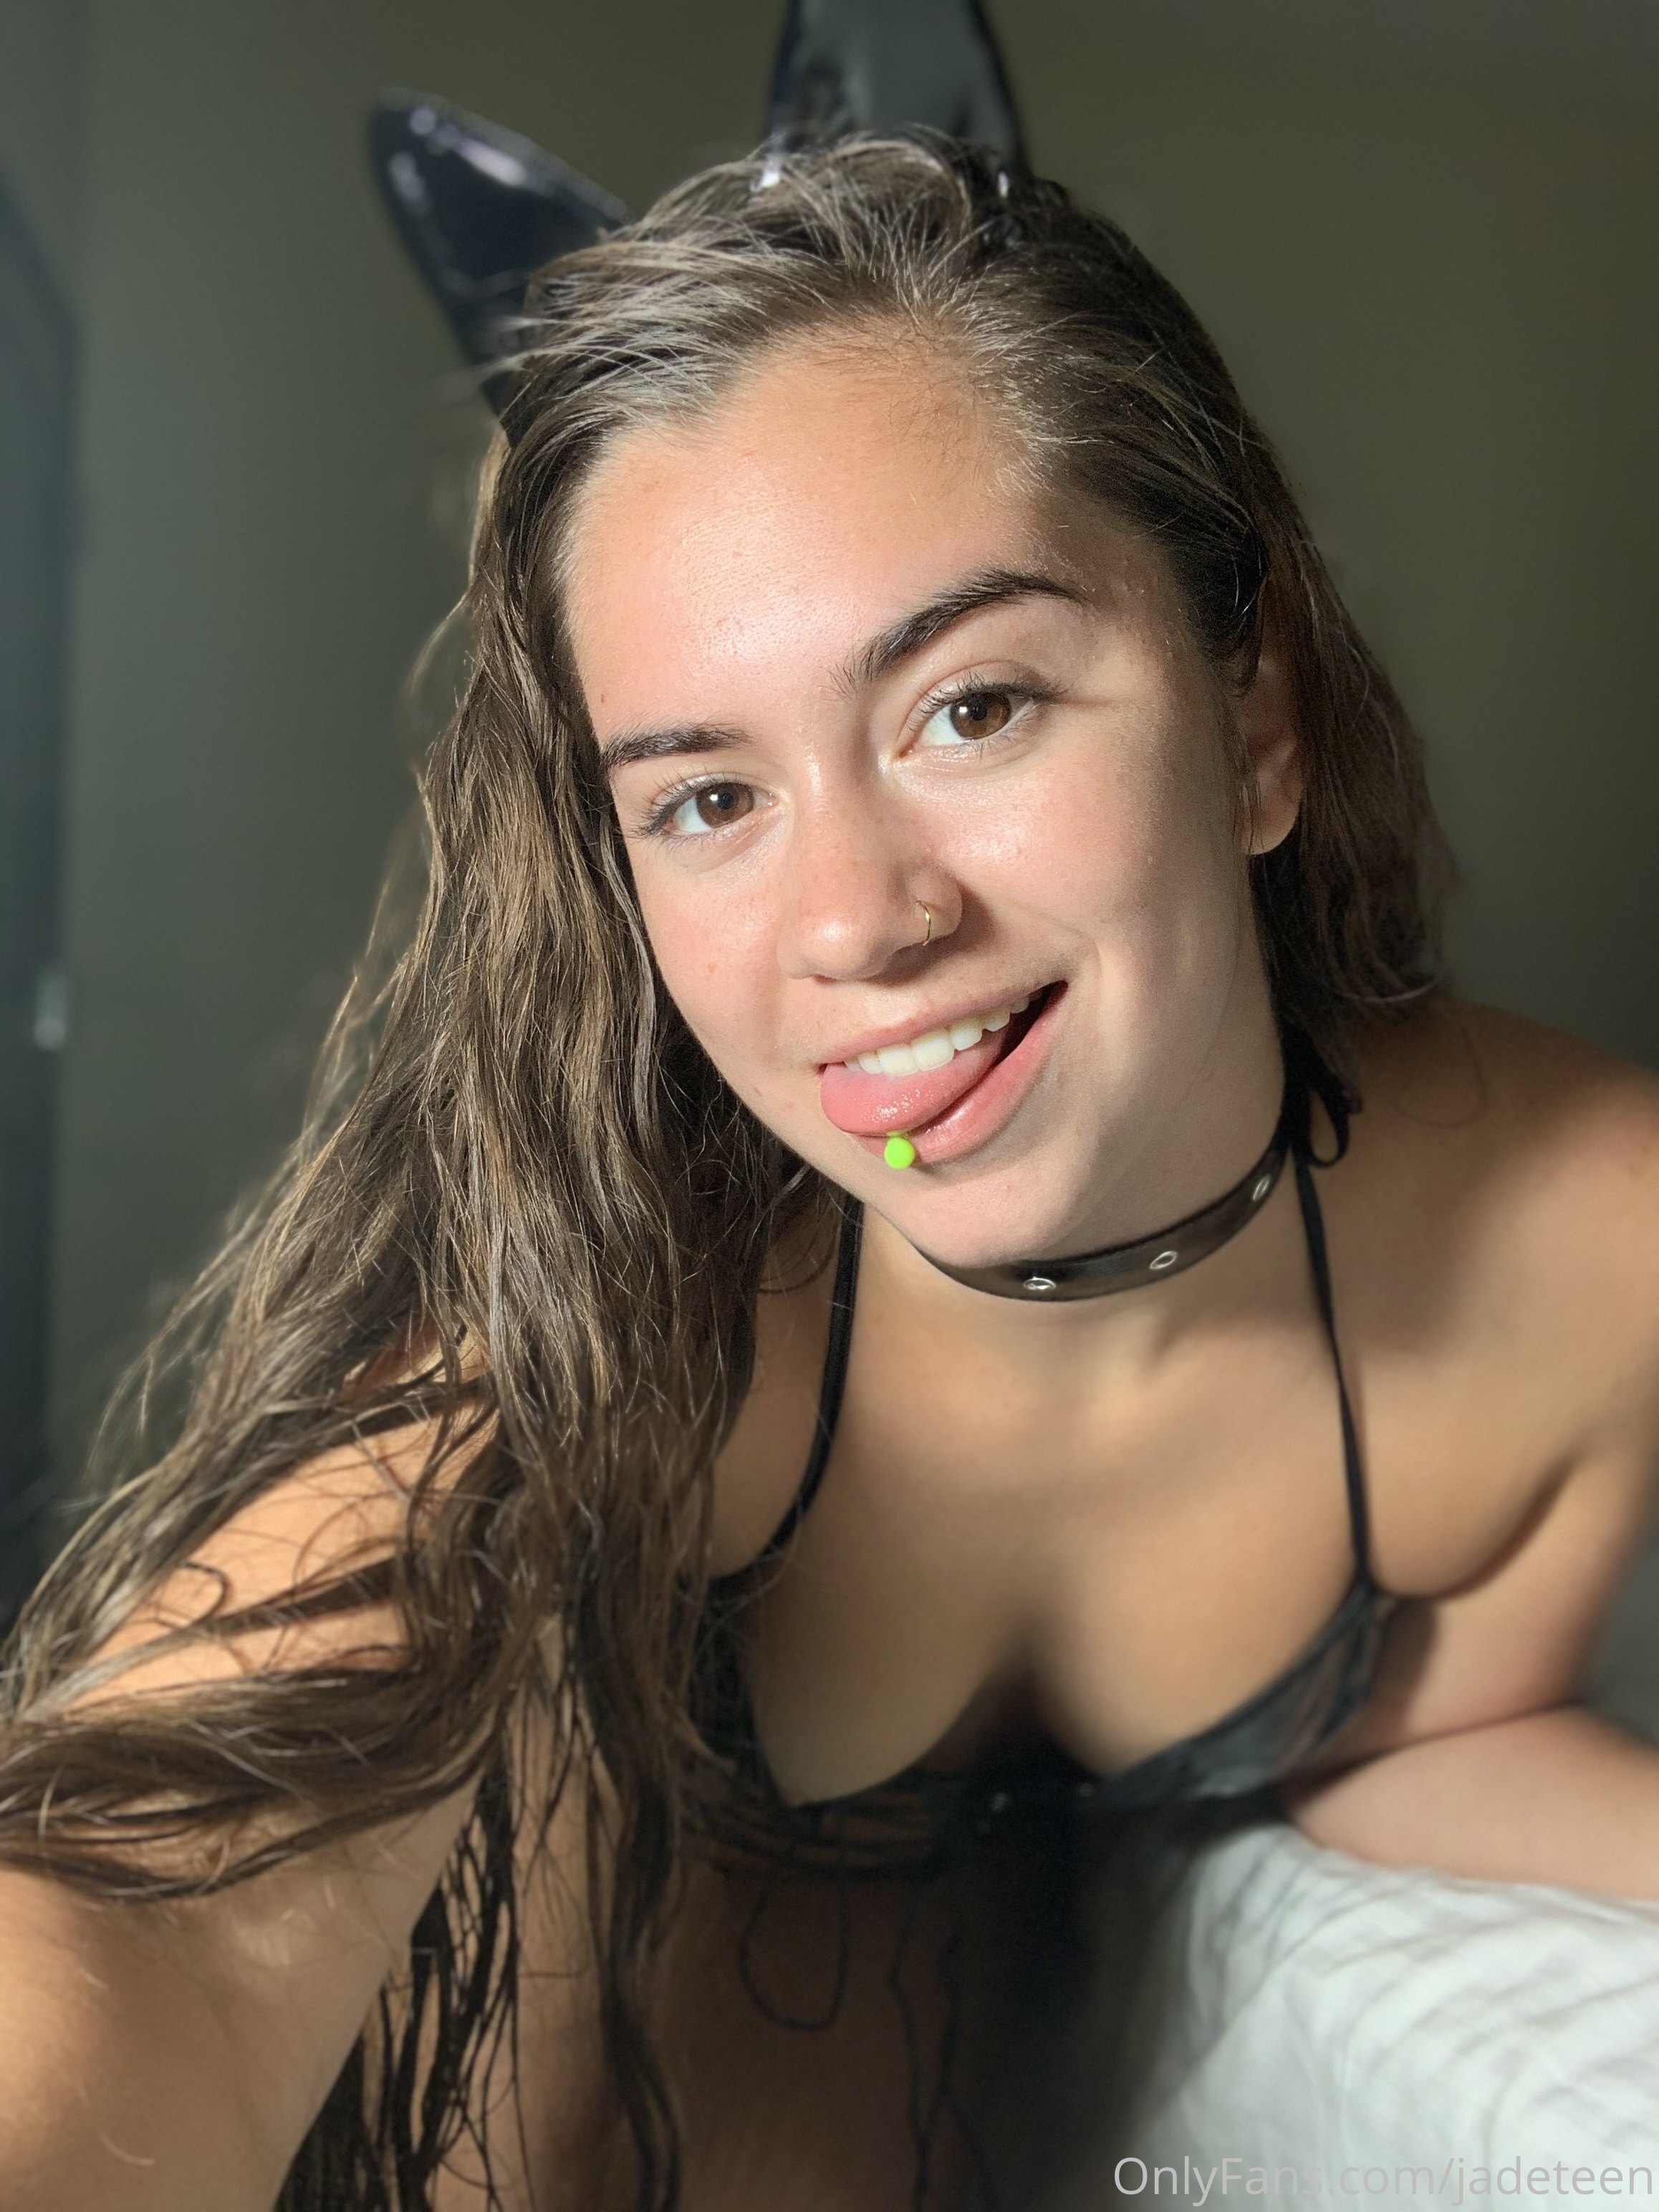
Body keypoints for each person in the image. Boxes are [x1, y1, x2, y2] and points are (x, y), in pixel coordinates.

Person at [4, 130, 1659, 2212]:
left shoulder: (1586, 1247)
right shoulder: (600, 1338)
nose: (858, 922)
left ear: (1256, 719)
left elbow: (1428, 1737)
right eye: (707, 799)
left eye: (972, 707)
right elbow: (151, 1909)